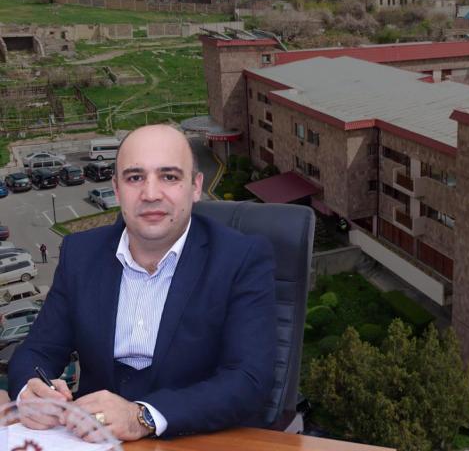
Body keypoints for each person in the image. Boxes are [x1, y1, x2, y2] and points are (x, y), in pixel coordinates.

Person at [9, 125, 277, 441]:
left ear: (195, 187)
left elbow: (249, 379)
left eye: (169, 177)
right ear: (117, 189)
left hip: (197, 439)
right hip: (93, 439)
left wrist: (143, 416)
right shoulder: (81, 254)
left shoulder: (241, 259)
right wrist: (31, 391)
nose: (151, 194)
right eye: (135, 178)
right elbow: (37, 350)